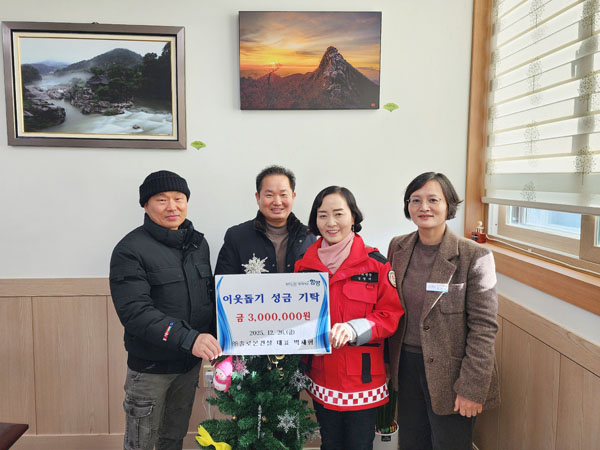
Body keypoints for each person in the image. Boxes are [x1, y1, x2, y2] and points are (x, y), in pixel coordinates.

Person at [109, 170, 222, 450]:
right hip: (150, 370)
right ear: (146, 205)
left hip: (187, 366)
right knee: (141, 444)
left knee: (173, 439)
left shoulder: (198, 244)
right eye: (162, 200)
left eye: (178, 198)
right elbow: (135, 313)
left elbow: (207, 300)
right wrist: (190, 338)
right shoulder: (129, 249)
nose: (172, 207)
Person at [387, 172, 500, 450]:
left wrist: (472, 388)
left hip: (453, 374)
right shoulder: (397, 247)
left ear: (449, 204)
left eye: (433, 200)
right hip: (406, 367)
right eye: (415, 200)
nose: (423, 207)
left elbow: (484, 328)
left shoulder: (474, 255)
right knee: (411, 443)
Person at [295, 186, 404, 450]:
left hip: (363, 378)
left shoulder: (376, 264)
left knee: (359, 445)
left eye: (338, 214)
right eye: (323, 215)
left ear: (353, 216)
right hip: (322, 374)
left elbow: (390, 315)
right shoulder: (304, 266)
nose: (331, 223)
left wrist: (354, 329)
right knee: (330, 443)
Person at [215, 165, 315, 275]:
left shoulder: (309, 236)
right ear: (258, 197)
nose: (277, 202)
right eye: (269, 195)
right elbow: (223, 283)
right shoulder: (236, 237)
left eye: (283, 195)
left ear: (293, 196)